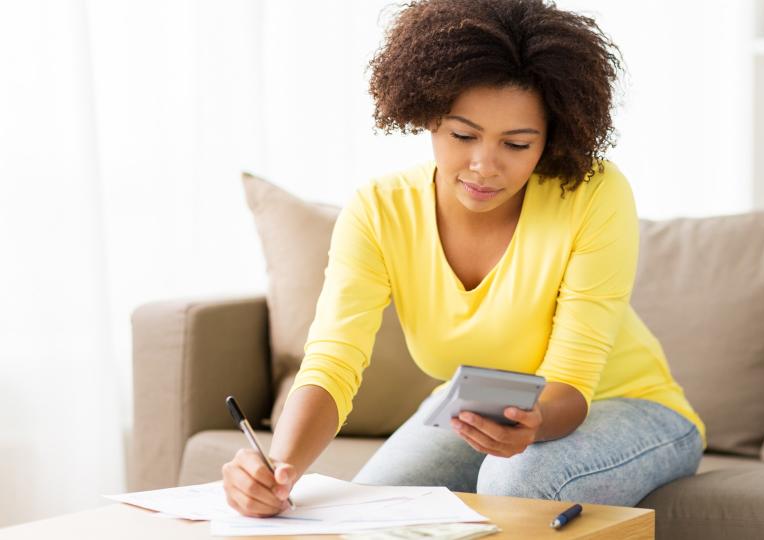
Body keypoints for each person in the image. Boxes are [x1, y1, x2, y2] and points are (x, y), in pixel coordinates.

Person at [221, 0, 705, 518]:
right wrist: (276, 471)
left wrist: (533, 423)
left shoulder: (591, 194)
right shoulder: (380, 210)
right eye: (462, 135)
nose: (483, 166)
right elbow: (333, 361)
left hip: (631, 408)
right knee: (367, 511)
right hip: (478, 410)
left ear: (551, 139)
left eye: (517, 144)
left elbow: (572, 381)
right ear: (427, 114)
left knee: (514, 476)